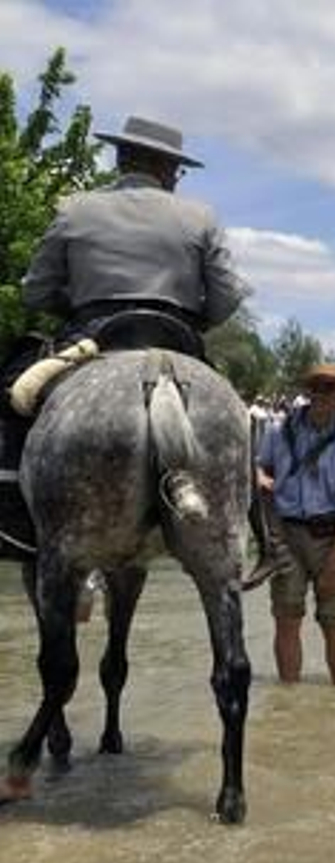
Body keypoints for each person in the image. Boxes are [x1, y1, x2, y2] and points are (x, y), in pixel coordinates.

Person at [3, 115, 251, 546]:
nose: (177, 176)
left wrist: (72, 307)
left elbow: (35, 291)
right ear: (167, 167)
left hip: (92, 336)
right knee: (240, 421)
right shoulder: (201, 217)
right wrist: (196, 321)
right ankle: (258, 529)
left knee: (13, 397)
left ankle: (15, 515)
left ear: (121, 158)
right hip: (179, 337)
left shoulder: (74, 208)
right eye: (177, 169)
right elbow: (228, 297)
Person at [256, 363, 335, 685]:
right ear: (308, 391)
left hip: (331, 537)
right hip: (284, 533)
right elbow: (258, 467)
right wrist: (263, 479)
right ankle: (289, 696)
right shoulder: (279, 431)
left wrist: (334, 566)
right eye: (317, 387)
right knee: (286, 619)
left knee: (333, 623)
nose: (322, 394)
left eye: (330, 388)